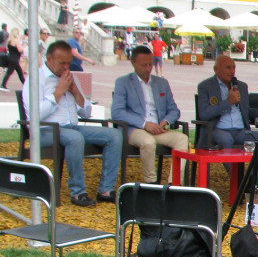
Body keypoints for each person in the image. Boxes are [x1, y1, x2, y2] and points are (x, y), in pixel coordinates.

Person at [21, 41, 121, 206]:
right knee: (74, 138)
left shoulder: (69, 77)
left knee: (114, 135)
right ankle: (77, 192)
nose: (66, 67)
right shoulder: (36, 79)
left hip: (72, 127)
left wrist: (75, 91)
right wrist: (57, 93)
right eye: (62, 63)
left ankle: (106, 190)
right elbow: (34, 115)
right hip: (45, 131)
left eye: (68, 63)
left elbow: (86, 112)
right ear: (49, 58)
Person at [111, 46, 189, 183]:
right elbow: (117, 112)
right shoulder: (123, 82)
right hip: (135, 129)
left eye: (150, 64)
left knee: (182, 139)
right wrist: (144, 124)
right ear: (133, 62)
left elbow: (174, 110)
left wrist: (165, 121)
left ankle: (174, 183)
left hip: (158, 128)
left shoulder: (161, 83)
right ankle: (151, 182)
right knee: (148, 141)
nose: (148, 68)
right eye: (144, 65)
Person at [197, 54, 255, 148]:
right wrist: (228, 102)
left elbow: (247, 110)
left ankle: (255, 163)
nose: (232, 71)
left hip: (241, 130)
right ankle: (231, 163)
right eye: (228, 68)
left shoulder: (241, 86)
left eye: (234, 68)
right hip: (218, 129)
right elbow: (204, 114)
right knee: (226, 140)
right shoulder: (206, 86)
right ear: (216, 69)